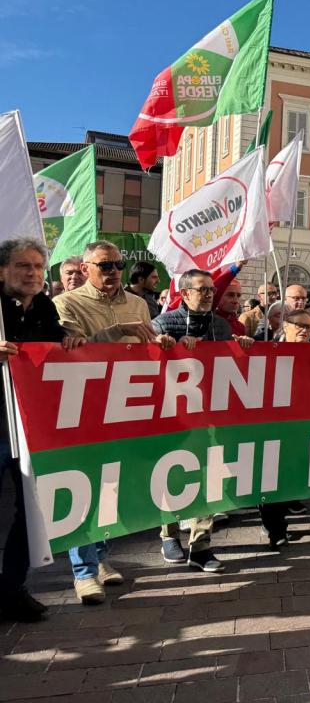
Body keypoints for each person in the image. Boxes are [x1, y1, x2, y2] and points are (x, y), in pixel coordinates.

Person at [54, 240, 172, 604]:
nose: (113, 272)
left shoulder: (138, 303)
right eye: (105, 265)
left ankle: (101, 558)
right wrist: (112, 333)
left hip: (124, 407)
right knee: (82, 489)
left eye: (118, 265)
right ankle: (83, 573)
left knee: (111, 486)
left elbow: (145, 348)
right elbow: (69, 348)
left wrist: (163, 343)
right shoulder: (66, 303)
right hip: (82, 409)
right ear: (85, 267)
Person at [0, 238, 86, 622]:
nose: (33, 273)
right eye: (23, 266)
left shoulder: (46, 307)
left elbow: (54, 349)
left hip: (30, 428)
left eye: (37, 266)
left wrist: (70, 341)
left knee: (30, 513)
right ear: (4, 270)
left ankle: (11, 589)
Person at [150, 270, 253, 571]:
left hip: (210, 414)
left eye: (210, 289)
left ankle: (201, 544)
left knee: (209, 477)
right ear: (184, 294)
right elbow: (144, 361)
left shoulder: (220, 326)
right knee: (173, 474)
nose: (209, 294)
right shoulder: (164, 322)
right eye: (201, 290)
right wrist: (164, 345)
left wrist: (242, 347)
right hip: (172, 415)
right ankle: (168, 534)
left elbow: (232, 365)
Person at [259, 310, 310, 548]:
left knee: (290, 476)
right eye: (299, 325)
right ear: (285, 326)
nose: (304, 330)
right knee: (272, 477)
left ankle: (275, 520)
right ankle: (275, 529)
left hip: (301, 425)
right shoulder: (266, 349)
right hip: (272, 425)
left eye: (309, 326)